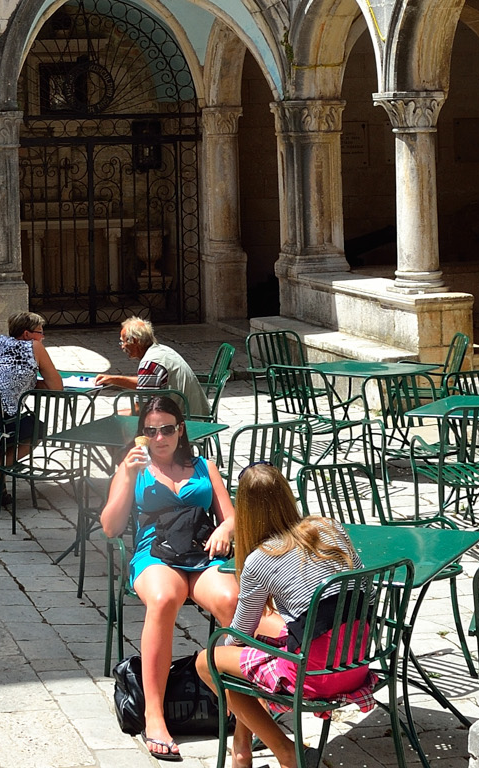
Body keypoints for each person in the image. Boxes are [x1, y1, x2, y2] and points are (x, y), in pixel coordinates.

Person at [196, 464, 374, 768]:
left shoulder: (260, 559)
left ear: (246, 511)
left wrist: (225, 650)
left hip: (314, 678)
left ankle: (285, 750)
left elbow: (242, 631)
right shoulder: (329, 528)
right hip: (355, 661)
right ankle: (241, 746)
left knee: (209, 660)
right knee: (267, 638)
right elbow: (366, 594)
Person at [100, 395, 237, 763]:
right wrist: (126, 475)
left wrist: (225, 528)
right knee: (163, 599)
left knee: (231, 601)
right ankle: (155, 715)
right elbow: (111, 527)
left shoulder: (204, 466)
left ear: (180, 430)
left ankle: (240, 701)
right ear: (142, 434)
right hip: (155, 554)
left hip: (201, 551)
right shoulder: (133, 468)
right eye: (150, 431)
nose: (159, 438)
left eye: (166, 429)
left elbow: (232, 516)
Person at [0, 311, 64, 503]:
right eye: (40, 333)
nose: (42, 337)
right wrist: (38, 382)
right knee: (37, 429)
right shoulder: (34, 347)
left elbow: (8, 376)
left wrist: (31, 382)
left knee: (21, 424)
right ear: (27, 334)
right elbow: (57, 387)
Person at [97, 317, 207, 417]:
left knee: (118, 417)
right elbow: (146, 383)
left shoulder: (149, 364)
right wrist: (112, 379)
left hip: (185, 419)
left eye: (123, 341)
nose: (122, 346)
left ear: (135, 341)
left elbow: (141, 408)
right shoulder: (161, 350)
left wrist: (117, 416)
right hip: (195, 412)